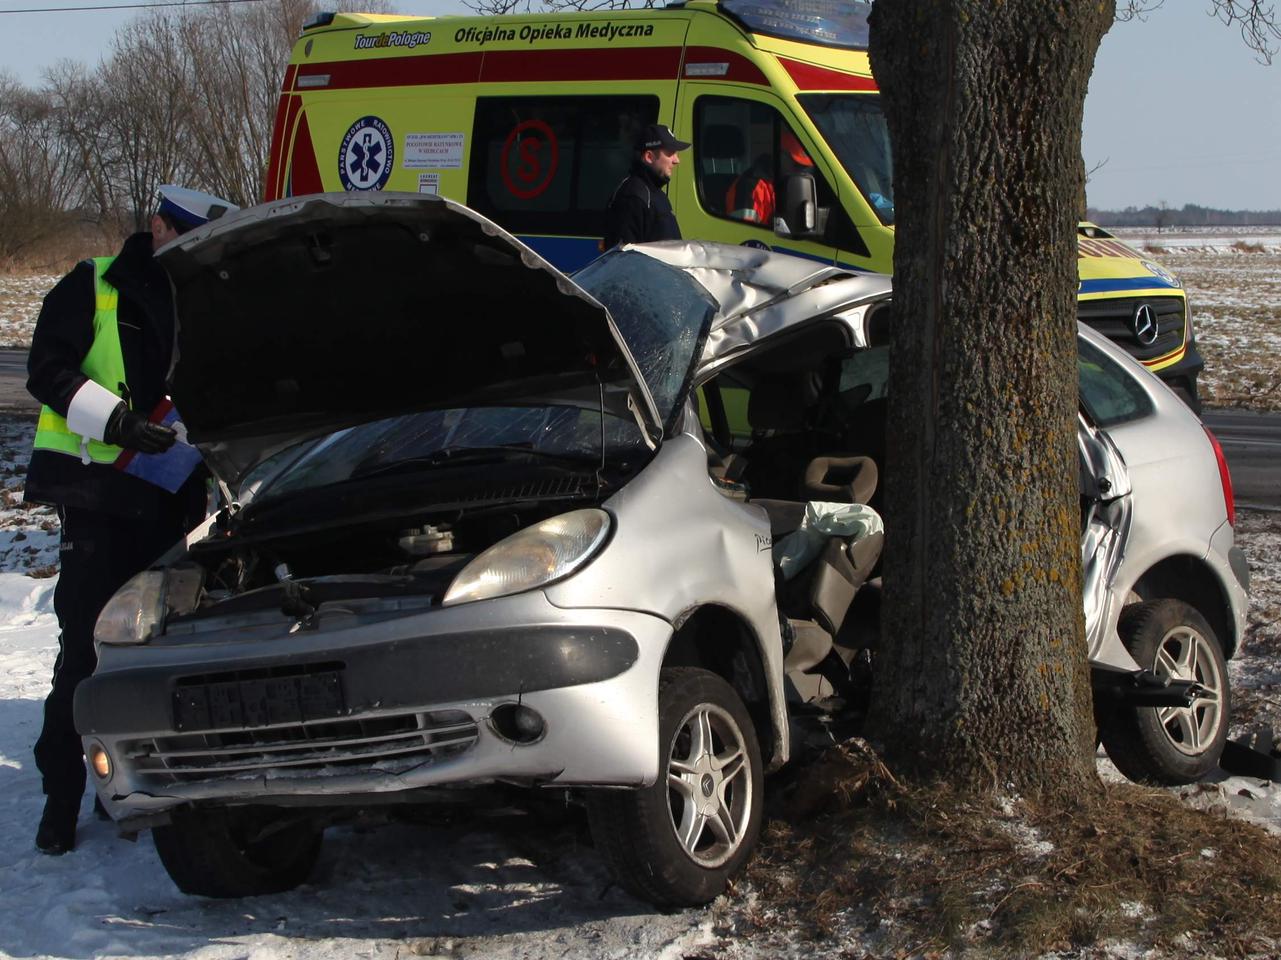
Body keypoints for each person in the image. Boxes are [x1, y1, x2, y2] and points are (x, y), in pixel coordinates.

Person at [25, 184, 238, 854]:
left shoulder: (207, 297)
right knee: (85, 653)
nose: (196, 250)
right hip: (99, 496)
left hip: (174, 501)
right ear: (157, 226)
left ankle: (146, 782)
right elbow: (46, 371)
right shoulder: (93, 285)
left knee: (161, 653)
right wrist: (115, 421)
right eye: (186, 235)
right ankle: (60, 801)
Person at [603, 123, 690, 248]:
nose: (677, 160)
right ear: (649, 157)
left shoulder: (654, 193)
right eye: (670, 153)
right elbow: (624, 259)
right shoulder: (633, 197)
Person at [725, 128, 815, 228]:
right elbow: (743, 234)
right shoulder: (750, 186)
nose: (800, 171)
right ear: (780, 155)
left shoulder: (787, 183)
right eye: (796, 164)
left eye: (803, 167)